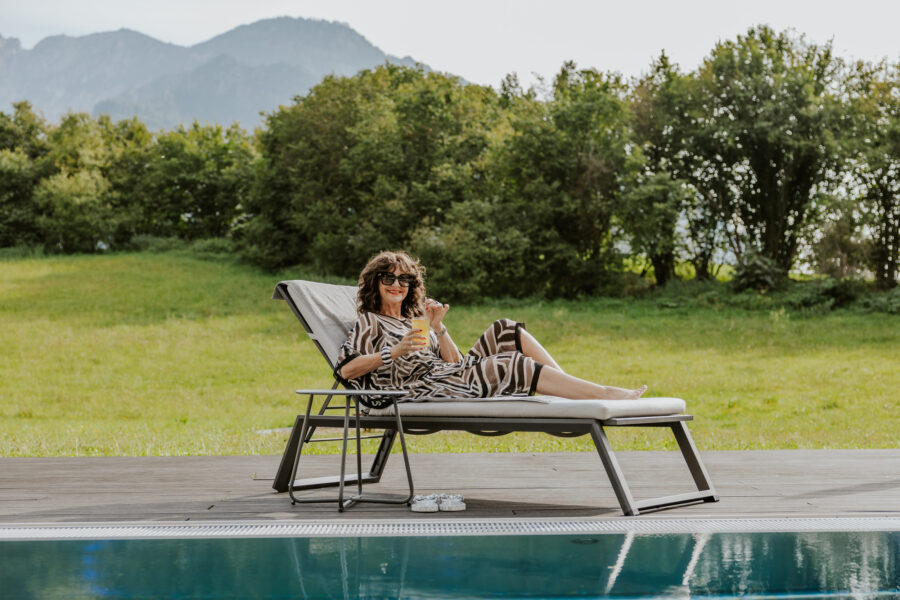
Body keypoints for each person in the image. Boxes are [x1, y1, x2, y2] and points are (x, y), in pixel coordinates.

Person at [336, 250, 647, 401]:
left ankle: (566, 392)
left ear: (411, 285)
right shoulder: (369, 321)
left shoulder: (414, 320)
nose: (396, 285)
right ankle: (601, 394)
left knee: (505, 328)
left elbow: (454, 363)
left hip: (446, 375)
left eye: (404, 279)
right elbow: (346, 371)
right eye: (388, 278)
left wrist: (439, 328)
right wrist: (394, 351)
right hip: (415, 390)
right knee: (508, 363)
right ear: (375, 283)